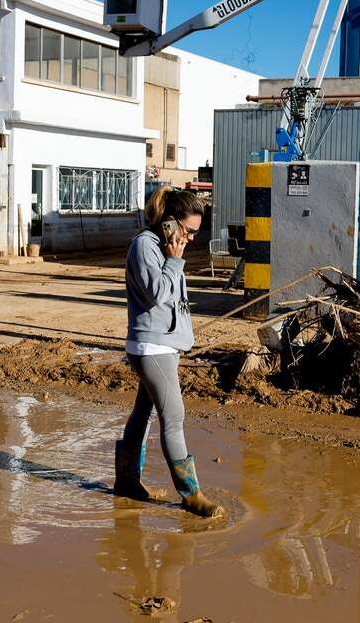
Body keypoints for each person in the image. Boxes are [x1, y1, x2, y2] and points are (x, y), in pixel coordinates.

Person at [114, 186, 224, 518]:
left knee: (143, 414)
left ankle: (127, 482)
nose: (191, 239)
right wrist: (174, 262)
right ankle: (191, 495)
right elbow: (155, 294)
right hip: (151, 346)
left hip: (162, 345)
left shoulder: (163, 247)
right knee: (173, 419)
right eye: (188, 231)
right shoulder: (145, 246)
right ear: (168, 223)